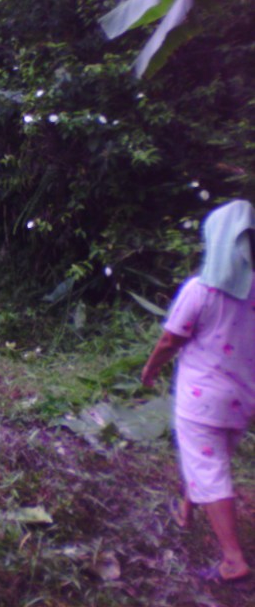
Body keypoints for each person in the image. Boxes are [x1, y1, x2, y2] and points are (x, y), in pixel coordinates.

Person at [142, 199, 255, 583]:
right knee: (209, 460)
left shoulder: (201, 289)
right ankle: (186, 510)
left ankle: (232, 559)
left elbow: (171, 338)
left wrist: (150, 368)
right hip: (242, 400)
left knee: (210, 469)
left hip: (201, 400)